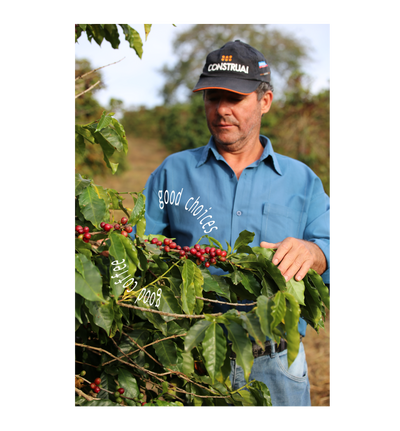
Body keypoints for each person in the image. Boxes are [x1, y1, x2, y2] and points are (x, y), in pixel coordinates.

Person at [135, 40, 333, 409]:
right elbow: (133, 258)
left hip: (275, 364)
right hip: (193, 361)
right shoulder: (172, 172)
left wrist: (315, 252)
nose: (222, 110)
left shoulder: (301, 181)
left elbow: (330, 241)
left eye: (235, 98)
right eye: (213, 98)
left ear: (265, 101)